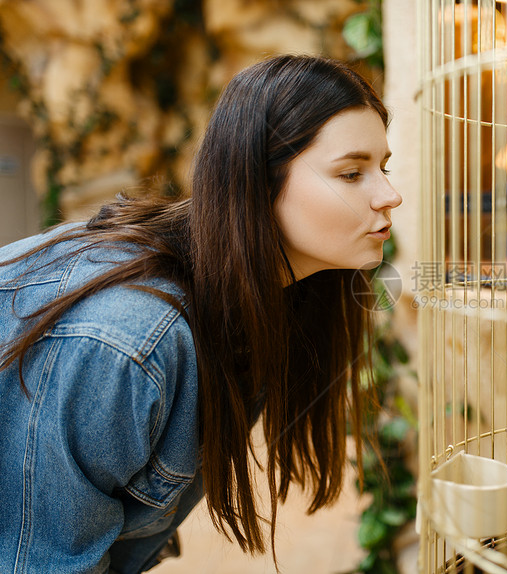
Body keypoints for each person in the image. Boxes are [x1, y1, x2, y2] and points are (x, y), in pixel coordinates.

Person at [0, 54, 402, 573]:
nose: (389, 195)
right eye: (351, 173)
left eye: (383, 168)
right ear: (257, 181)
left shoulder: (260, 298)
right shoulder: (127, 341)